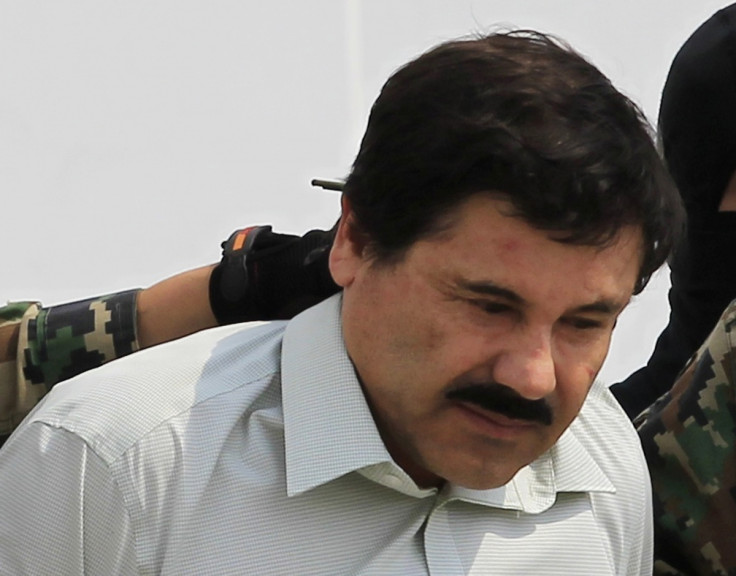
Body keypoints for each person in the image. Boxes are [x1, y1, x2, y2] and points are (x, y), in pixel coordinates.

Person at [0, 30, 683, 574]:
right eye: (487, 306)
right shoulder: (115, 469)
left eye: (585, 324)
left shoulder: (604, 469)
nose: (532, 376)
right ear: (353, 241)